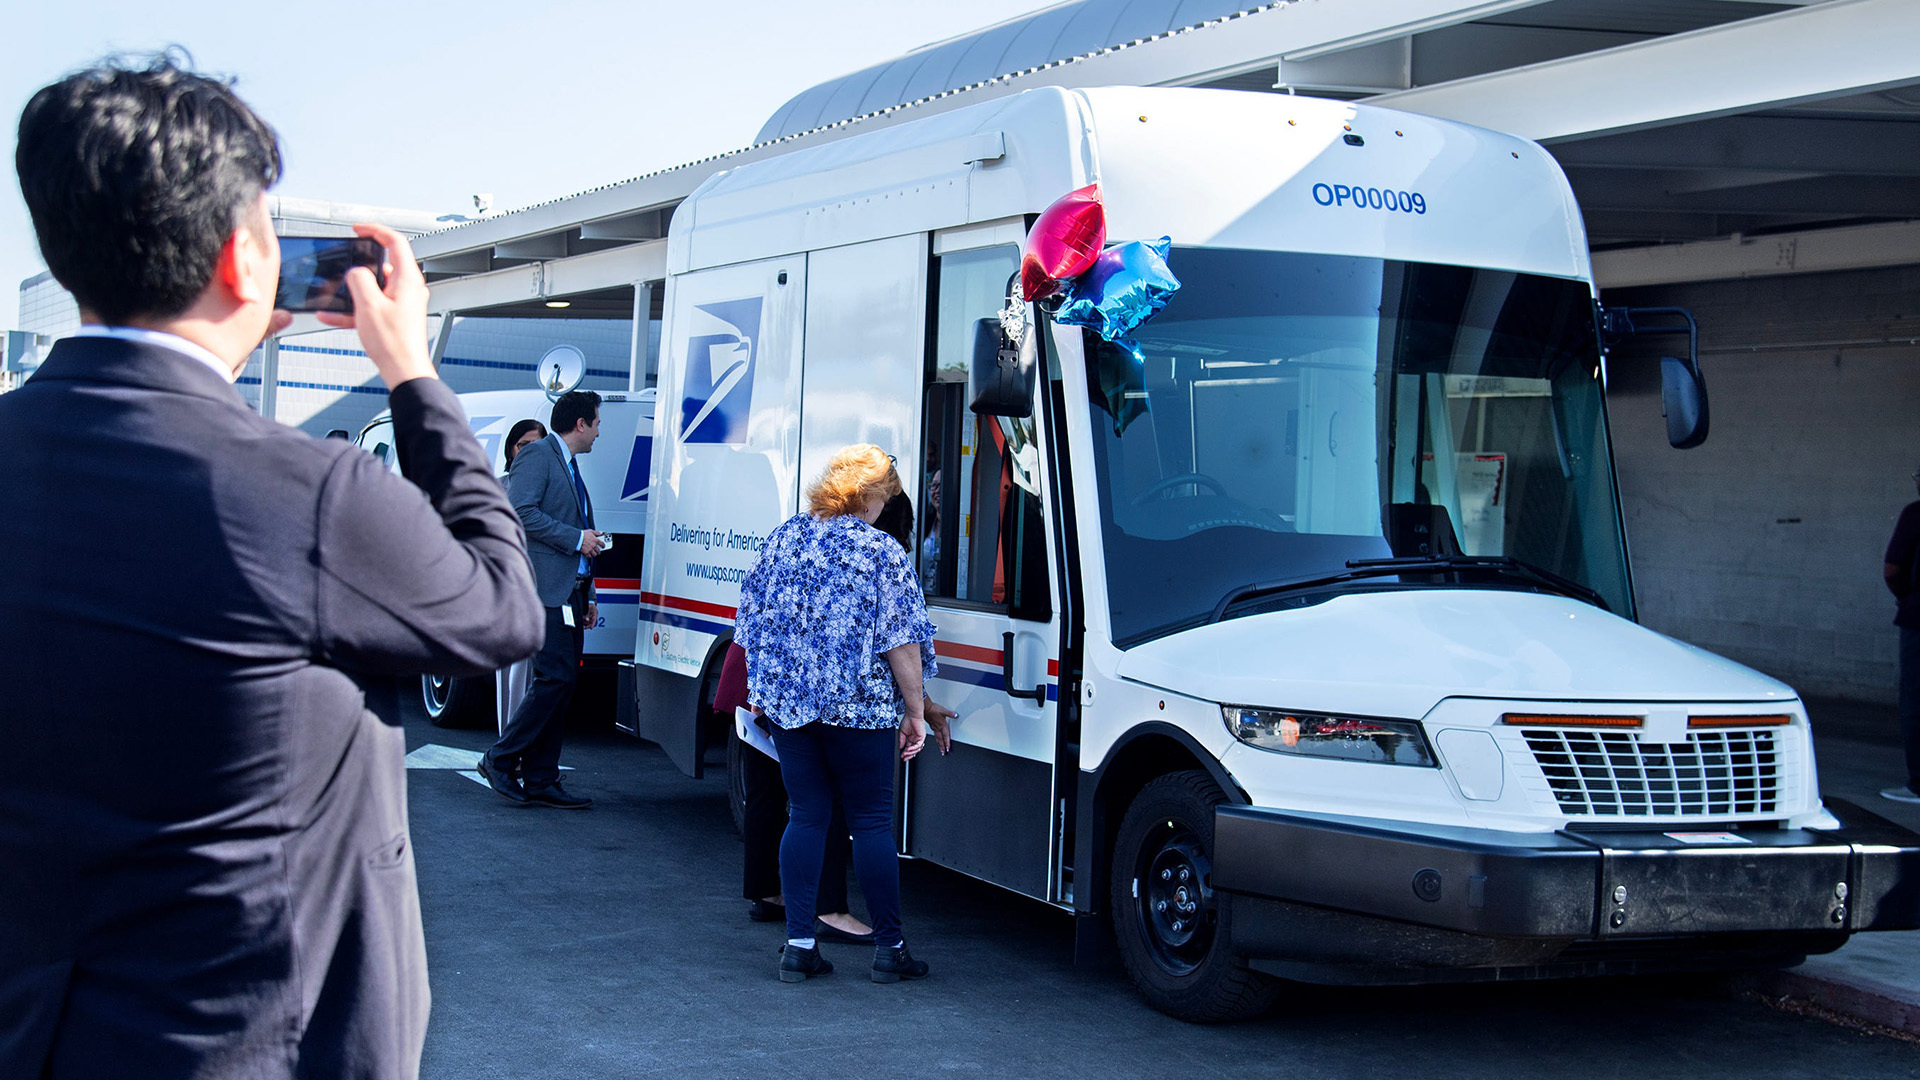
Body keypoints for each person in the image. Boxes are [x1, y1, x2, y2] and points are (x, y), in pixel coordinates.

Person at [0, 54, 544, 1079]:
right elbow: (502, 610)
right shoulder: (305, 495)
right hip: (249, 1043)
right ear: (245, 262)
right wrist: (413, 376)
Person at [735, 445, 938, 984]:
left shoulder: (783, 538)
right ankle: (890, 951)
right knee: (871, 823)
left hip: (792, 709)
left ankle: (799, 946)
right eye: (886, 496)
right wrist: (915, 710)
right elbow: (902, 643)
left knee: (805, 815)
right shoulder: (880, 552)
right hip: (860, 711)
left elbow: (750, 623)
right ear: (870, 496)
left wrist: (766, 691)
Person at [480, 390, 605, 808]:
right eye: (598, 423)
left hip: (569, 593)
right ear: (581, 424)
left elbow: (582, 530)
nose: (600, 432)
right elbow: (522, 512)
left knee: (563, 683)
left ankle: (541, 778)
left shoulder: (569, 466)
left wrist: (588, 591)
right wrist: (575, 539)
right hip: (540, 591)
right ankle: (500, 757)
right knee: (556, 677)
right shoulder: (538, 456)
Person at [716, 642, 873, 943]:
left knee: (765, 790)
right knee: (822, 796)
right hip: (791, 681)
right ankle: (830, 910)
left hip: (760, 676)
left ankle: (766, 894)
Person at [1882, 463, 1920, 804]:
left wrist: (1908, 597)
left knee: (1916, 698)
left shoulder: (1915, 515)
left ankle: (1918, 783)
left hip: (1919, 617)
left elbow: (1893, 568)